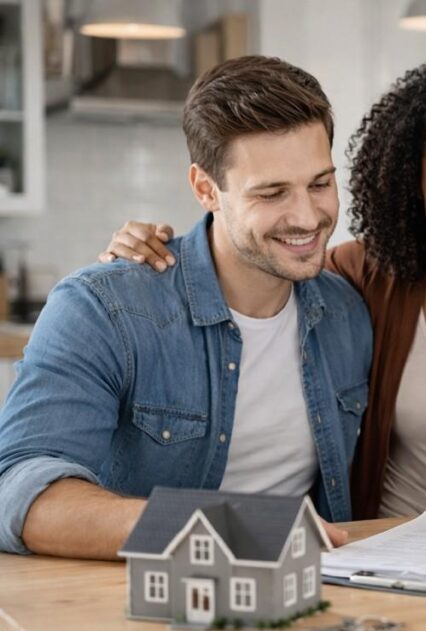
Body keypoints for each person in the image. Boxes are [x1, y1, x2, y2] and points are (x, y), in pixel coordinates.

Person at [101, 49, 426, 520]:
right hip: (374, 556)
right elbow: (264, 252)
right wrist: (143, 252)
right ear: (412, 185)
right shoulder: (363, 278)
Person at [0, 56, 372, 559]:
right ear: (205, 189)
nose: (307, 216)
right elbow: (21, 493)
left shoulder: (347, 314)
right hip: (141, 608)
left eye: (320, 184)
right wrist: (220, 526)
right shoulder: (103, 309)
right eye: (272, 192)